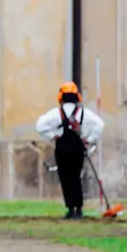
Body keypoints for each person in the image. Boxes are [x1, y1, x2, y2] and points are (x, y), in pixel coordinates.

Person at [35, 82, 105, 219]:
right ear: (77, 96)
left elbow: (40, 125)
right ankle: (78, 209)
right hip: (77, 149)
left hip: (62, 148)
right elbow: (99, 125)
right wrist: (89, 139)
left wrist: (52, 135)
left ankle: (70, 208)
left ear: (61, 97)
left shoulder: (56, 113)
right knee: (76, 177)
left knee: (65, 178)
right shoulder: (83, 113)